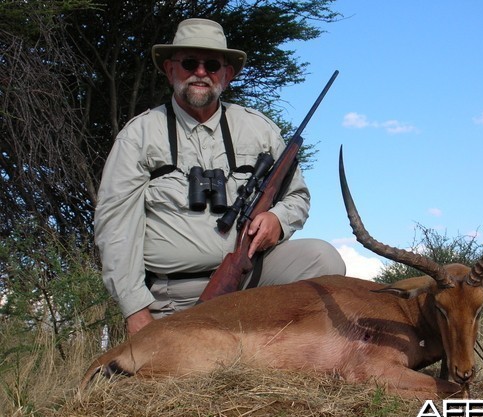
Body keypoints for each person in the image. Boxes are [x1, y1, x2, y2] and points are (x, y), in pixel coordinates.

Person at [95, 18, 346, 335]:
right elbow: (115, 229)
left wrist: (278, 220)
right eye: (189, 63)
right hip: (175, 296)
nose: (201, 73)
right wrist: (136, 312)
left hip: (252, 277)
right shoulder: (139, 135)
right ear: (170, 69)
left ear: (227, 74)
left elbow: (297, 196)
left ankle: (291, 354)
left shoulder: (259, 129)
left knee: (324, 261)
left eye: (212, 64)